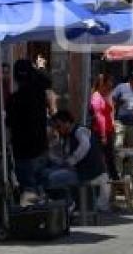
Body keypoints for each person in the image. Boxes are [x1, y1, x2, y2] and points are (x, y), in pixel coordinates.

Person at [47, 110, 111, 212]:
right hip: (82, 172)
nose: (58, 130)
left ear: (67, 122)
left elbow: (84, 146)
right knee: (51, 173)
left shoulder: (80, 130)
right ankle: (68, 203)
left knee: (52, 178)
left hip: (90, 174)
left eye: (59, 126)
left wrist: (71, 161)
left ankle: (68, 204)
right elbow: (62, 156)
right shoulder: (67, 137)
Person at [7, 59, 51, 197]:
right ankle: (46, 216)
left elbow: (9, 122)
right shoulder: (40, 94)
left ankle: (36, 217)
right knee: (41, 187)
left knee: (29, 191)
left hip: (24, 152)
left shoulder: (15, 99)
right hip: (41, 148)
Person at [90, 72, 119, 180]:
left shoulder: (104, 96)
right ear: (102, 85)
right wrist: (103, 135)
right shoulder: (96, 97)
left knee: (109, 158)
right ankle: (111, 179)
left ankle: (113, 179)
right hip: (101, 132)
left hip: (107, 131)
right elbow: (99, 117)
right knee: (106, 158)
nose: (109, 88)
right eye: (108, 86)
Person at [112, 72, 133, 146]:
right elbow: (112, 100)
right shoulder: (121, 87)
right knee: (118, 145)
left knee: (132, 147)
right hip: (120, 122)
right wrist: (119, 103)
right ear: (132, 79)